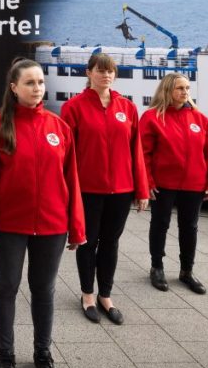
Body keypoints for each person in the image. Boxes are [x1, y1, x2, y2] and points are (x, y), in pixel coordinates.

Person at [0, 58, 85, 368]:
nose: (37, 88)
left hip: (53, 226)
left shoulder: (59, 127)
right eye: (29, 83)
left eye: (40, 82)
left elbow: (72, 179)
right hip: (10, 226)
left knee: (44, 291)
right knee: (7, 287)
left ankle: (43, 356)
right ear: (14, 88)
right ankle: (6, 356)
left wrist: (77, 226)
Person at [60, 53, 149, 326]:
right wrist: (67, 191)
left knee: (111, 242)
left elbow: (137, 151)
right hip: (87, 189)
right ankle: (87, 295)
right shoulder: (73, 108)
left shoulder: (128, 108)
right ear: (88, 73)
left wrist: (142, 189)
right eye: (100, 71)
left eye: (110, 71)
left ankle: (105, 295)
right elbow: (67, 154)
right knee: (88, 242)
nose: (106, 75)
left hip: (121, 189)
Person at [140, 73, 208, 295]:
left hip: (194, 184)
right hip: (163, 184)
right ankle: (157, 267)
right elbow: (144, 153)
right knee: (160, 225)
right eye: (179, 88)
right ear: (167, 91)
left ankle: (187, 271)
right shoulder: (152, 118)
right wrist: (147, 181)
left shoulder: (200, 119)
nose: (185, 92)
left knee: (189, 228)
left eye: (187, 88)